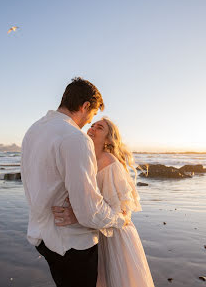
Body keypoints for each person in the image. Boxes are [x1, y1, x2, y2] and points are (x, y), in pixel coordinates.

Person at [20, 77, 128, 287]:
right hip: (71, 244)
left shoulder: (33, 131)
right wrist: (118, 218)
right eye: (92, 114)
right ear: (85, 106)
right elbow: (89, 210)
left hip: (41, 237)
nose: (89, 122)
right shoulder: (76, 138)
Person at [54, 117, 155, 287]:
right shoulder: (86, 158)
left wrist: (79, 215)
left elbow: (122, 213)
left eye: (99, 128)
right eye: (91, 125)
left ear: (108, 139)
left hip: (115, 236)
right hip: (94, 231)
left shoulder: (109, 162)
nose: (91, 129)